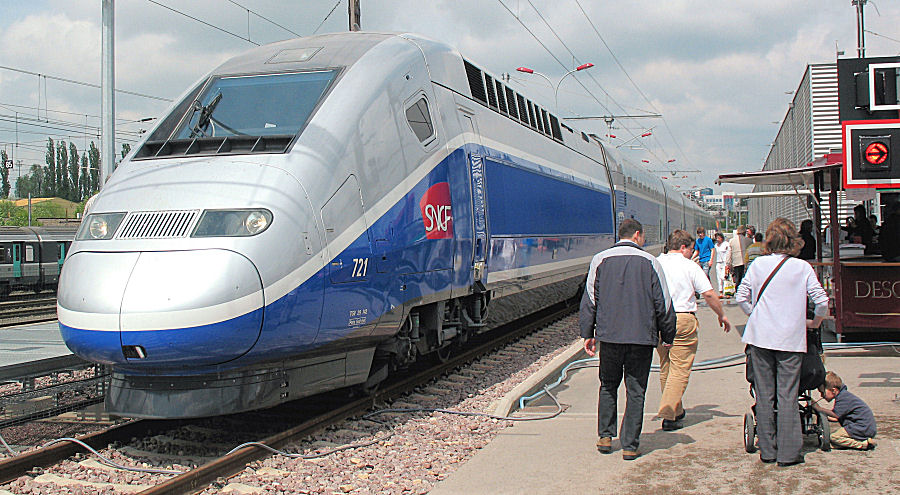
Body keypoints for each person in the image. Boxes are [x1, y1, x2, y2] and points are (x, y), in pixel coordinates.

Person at [579, 218, 676, 461]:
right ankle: (631, 445)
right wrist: (668, 335)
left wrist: (587, 334)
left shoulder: (599, 260)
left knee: (608, 385)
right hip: (641, 338)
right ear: (637, 235)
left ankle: (605, 436)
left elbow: (590, 299)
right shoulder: (651, 262)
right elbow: (663, 303)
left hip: (610, 337)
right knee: (636, 390)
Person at [736, 218, 829, 467]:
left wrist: (753, 313)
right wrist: (815, 322)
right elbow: (821, 301)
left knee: (765, 395)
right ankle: (789, 454)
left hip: (760, 338)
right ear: (793, 241)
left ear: (769, 239)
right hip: (790, 339)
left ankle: (767, 450)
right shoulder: (801, 268)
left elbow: (740, 295)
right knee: (787, 395)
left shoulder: (757, 266)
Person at [655, 229, 731, 431]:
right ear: (683, 248)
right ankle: (669, 414)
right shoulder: (689, 266)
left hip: (659, 320)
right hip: (682, 319)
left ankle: (676, 410)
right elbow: (709, 294)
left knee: (666, 366)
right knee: (680, 369)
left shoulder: (655, 263)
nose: (692, 253)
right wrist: (721, 315)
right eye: (690, 249)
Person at [813, 371, 877, 450]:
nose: (821, 396)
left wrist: (819, 408)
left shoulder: (844, 398)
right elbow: (836, 418)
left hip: (862, 427)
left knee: (834, 437)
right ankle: (845, 444)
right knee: (833, 442)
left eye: (823, 392)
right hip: (864, 426)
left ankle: (863, 444)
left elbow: (835, 415)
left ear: (833, 390)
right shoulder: (844, 395)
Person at [713, 232, 730, 297]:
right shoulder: (716, 245)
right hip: (718, 262)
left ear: (722, 238)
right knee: (718, 277)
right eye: (716, 238)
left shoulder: (726, 244)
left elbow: (729, 253)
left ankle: (727, 292)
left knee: (724, 277)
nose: (717, 239)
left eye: (719, 238)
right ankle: (721, 292)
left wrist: (728, 263)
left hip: (725, 262)